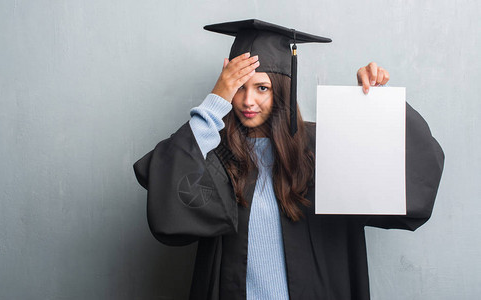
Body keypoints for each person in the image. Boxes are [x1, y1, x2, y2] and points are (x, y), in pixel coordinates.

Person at [133, 19, 444, 300]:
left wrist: (374, 103)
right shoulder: (216, 154)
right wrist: (215, 101)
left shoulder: (321, 147)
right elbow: (166, 184)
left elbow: (408, 177)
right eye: (238, 88)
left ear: (281, 90)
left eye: (262, 88)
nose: (247, 101)